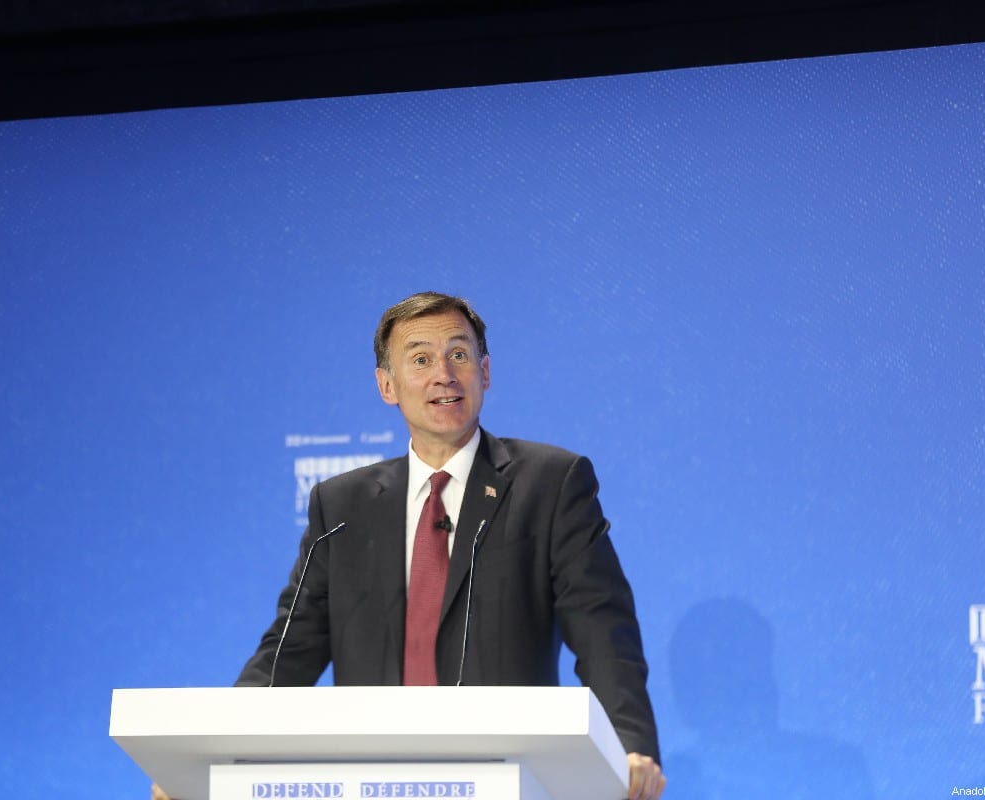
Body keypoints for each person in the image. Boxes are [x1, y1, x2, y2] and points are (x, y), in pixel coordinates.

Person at [156, 292, 664, 800]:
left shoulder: (550, 484)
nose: (443, 373)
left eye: (459, 355)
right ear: (387, 385)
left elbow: (603, 633)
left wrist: (627, 749)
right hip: (370, 781)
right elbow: (287, 653)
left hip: (508, 778)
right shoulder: (341, 506)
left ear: (485, 372)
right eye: (420, 359)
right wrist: (209, 758)